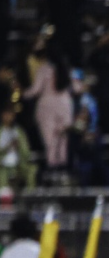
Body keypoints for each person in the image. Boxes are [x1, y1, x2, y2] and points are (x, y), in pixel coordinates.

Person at [23, 51, 72, 179]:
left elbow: (35, 90)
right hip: (65, 106)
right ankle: (62, 169)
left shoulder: (44, 69)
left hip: (47, 106)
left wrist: (22, 93)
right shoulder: (66, 69)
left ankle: (52, 168)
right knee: (62, 138)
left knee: (50, 139)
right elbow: (75, 87)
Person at [0, 106, 37, 194]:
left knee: (31, 170)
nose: (8, 117)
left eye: (10, 114)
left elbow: (26, 151)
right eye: (6, 114)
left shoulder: (18, 131)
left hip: (18, 163)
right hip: (2, 164)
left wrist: (19, 146)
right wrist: (7, 147)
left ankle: (30, 196)